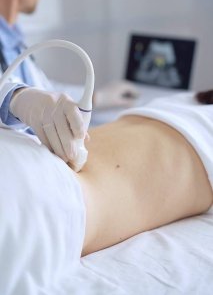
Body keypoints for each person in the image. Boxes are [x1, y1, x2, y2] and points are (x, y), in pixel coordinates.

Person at [0, 90, 212, 267]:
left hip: (38, 179)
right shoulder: (189, 100)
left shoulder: (187, 100)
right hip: (39, 182)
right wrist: (16, 95)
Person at [0, 0, 139, 169]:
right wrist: (15, 99)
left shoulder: (12, 35)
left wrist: (97, 97)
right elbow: (18, 93)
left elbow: (42, 92)